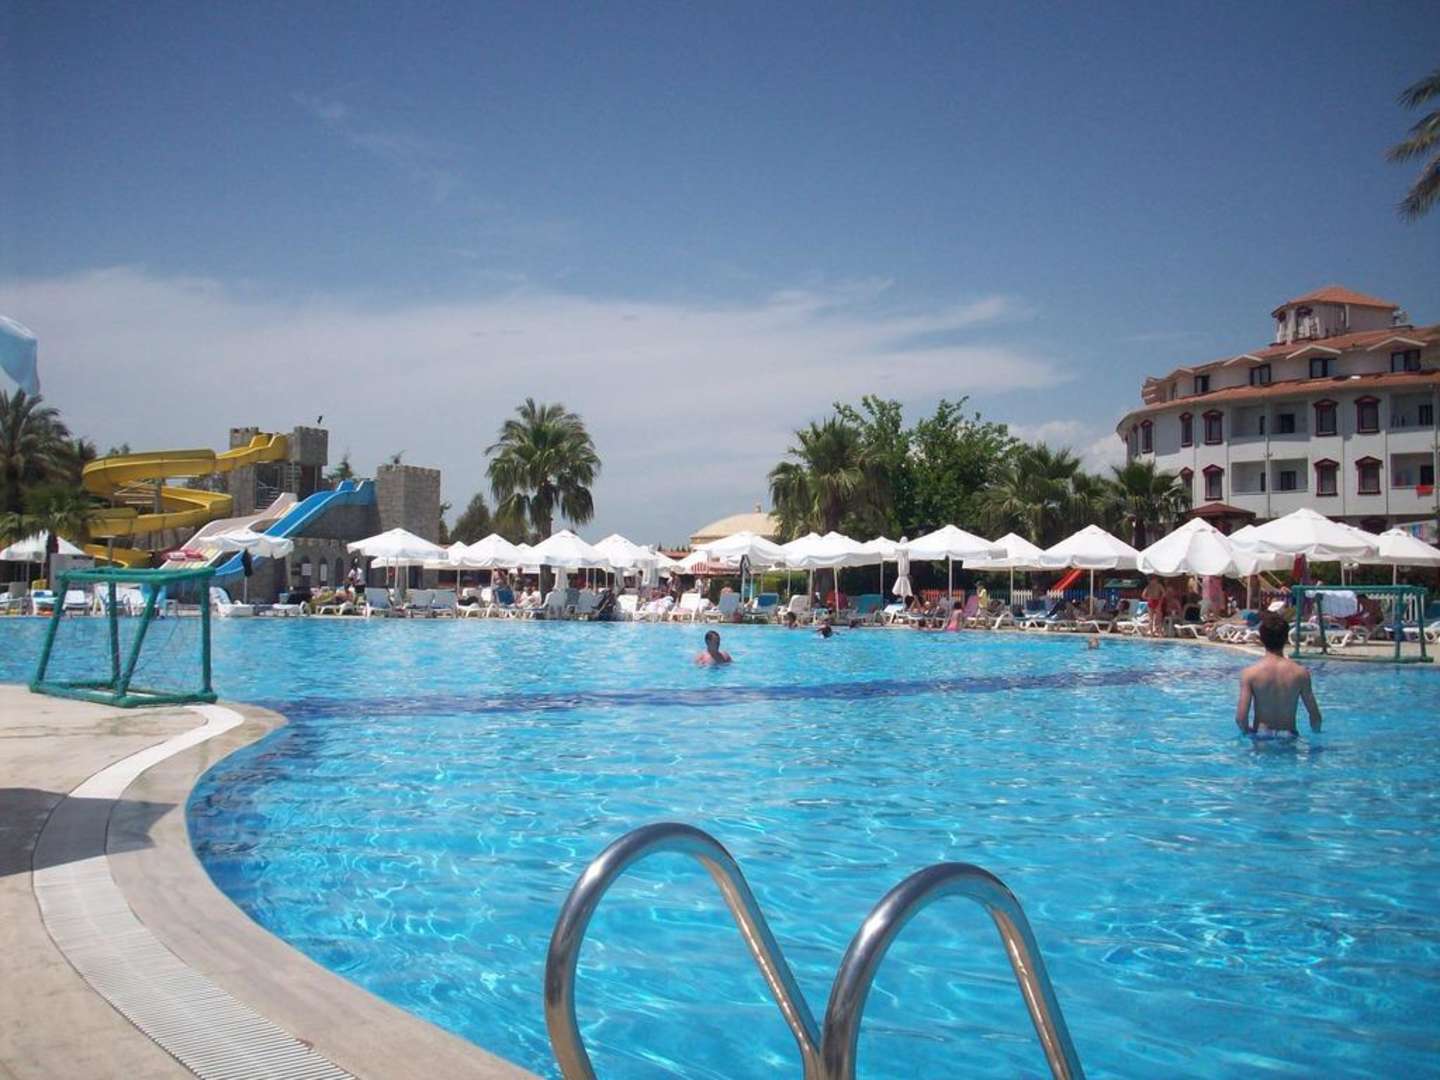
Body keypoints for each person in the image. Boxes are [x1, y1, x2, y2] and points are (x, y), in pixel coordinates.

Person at [1235, 612, 1322, 737]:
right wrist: (1316, 736)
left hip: (1262, 736)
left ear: (1261, 639)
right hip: (1289, 736)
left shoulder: (1250, 674)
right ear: (1286, 638)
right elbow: (1315, 716)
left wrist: (1248, 733)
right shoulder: (1300, 673)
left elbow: (1240, 718)